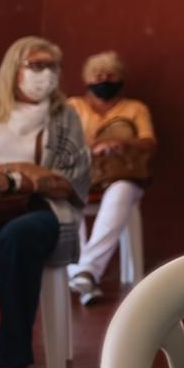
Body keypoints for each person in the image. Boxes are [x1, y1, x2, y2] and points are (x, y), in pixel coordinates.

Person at [0, 37, 90, 368]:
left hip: (43, 208)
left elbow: (70, 180)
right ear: (13, 69)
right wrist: (23, 171)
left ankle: (14, 362)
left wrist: (15, 180)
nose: (46, 74)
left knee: (18, 238)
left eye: (53, 66)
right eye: (37, 65)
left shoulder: (65, 117)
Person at [66, 50, 156, 305]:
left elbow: (149, 143)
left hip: (121, 174)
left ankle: (85, 271)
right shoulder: (72, 106)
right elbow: (60, 142)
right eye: (98, 76)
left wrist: (122, 143)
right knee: (67, 198)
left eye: (110, 75)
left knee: (122, 192)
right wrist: (92, 145)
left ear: (121, 78)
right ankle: (85, 276)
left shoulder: (135, 108)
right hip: (81, 174)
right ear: (87, 79)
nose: (104, 80)